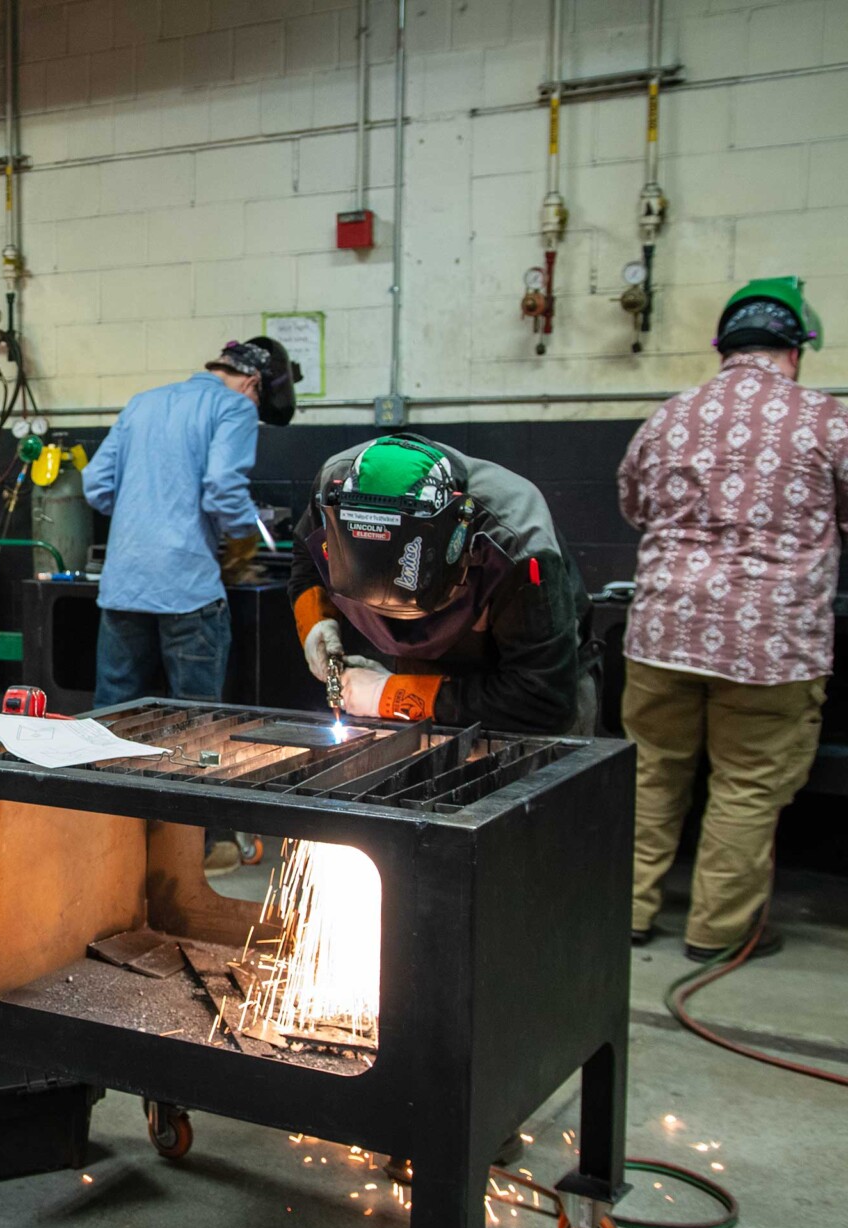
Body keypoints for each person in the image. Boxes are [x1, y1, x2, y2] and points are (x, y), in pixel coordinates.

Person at [618, 277, 843, 961]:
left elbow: (633, 505)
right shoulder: (828, 420)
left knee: (651, 773)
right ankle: (718, 933)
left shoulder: (670, 416)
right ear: (795, 351)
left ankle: (627, 910)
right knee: (747, 786)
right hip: (771, 645)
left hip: (661, 634)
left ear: (724, 347)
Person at [289, 432, 592, 735]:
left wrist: (389, 695)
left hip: (526, 691)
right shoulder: (332, 493)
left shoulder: (514, 544)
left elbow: (543, 701)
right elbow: (307, 551)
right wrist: (317, 623)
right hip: (421, 674)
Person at [82, 338, 298, 705]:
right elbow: (222, 486)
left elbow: (95, 484)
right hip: (187, 588)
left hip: (124, 585)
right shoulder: (236, 406)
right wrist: (243, 536)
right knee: (193, 718)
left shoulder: (142, 402)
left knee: (113, 713)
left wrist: (144, 514)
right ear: (252, 383)